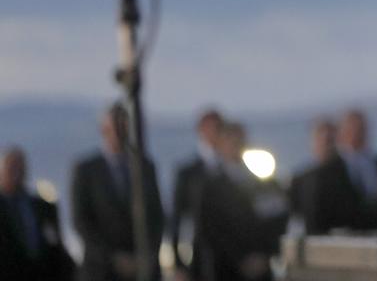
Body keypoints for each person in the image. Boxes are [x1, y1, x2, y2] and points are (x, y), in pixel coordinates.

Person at [70, 103, 164, 281]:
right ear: (104, 129)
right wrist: (113, 259)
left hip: (142, 269)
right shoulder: (86, 170)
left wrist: (145, 256)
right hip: (101, 270)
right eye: (116, 127)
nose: (120, 132)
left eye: (125, 126)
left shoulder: (145, 167)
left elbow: (157, 216)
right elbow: (81, 220)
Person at [194, 121, 288, 281]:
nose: (235, 146)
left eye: (239, 141)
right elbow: (209, 230)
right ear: (221, 145)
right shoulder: (210, 187)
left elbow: (278, 219)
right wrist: (240, 259)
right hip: (226, 270)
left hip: (261, 267)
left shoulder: (264, 182)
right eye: (230, 141)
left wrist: (266, 254)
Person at [0, 146, 75, 281]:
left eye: (20, 167)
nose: (16, 172)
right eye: (11, 167)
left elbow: (56, 245)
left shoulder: (43, 207)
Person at [169, 107, 223, 280]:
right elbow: (177, 218)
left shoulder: (232, 169)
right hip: (199, 255)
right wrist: (178, 262)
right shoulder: (188, 173)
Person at [288, 117, 365, 235]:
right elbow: (295, 216)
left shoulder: (351, 173)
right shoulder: (301, 178)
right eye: (320, 138)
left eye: (330, 139)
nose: (325, 144)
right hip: (312, 241)